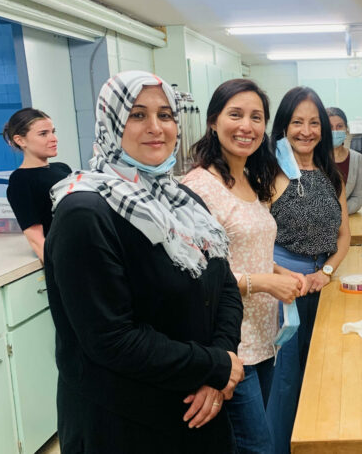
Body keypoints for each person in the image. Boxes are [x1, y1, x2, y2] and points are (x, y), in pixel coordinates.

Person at [44, 71, 244, 453]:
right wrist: (214, 367)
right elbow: (112, 339)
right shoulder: (84, 212)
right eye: (137, 115)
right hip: (126, 425)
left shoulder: (181, 202)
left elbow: (224, 286)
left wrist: (221, 367)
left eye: (166, 115)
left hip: (199, 410)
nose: (156, 128)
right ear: (110, 123)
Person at [182, 78, 307, 454]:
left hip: (263, 337)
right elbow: (197, 274)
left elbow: (239, 247)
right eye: (235, 114)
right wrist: (266, 283)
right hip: (230, 343)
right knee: (258, 447)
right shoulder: (198, 186)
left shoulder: (249, 179)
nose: (247, 126)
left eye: (256, 117)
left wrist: (278, 271)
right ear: (213, 121)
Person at [267, 87, 350, 454]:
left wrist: (327, 272)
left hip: (324, 287)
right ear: (283, 126)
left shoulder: (332, 174)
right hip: (284, 290)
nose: (306, 130)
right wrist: (281, 275)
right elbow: (251, 241)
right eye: (296, 122)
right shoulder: (268, 173)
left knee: (325, 373)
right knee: (284, 380)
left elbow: (345, 235)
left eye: (313, 123)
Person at [3, 108, 71, 260]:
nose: (54, 139)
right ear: (20, 140)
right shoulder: (20, 181)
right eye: (43, 134)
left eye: (53, 131)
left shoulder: (62, 168)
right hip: (65, 258)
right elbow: (37, 240)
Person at [326, 106, 362, 214]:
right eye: (330, 127)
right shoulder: (313, 159)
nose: (334, 131)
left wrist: (338, 213)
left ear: (346, 129)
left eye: (339, 126)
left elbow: (358, 197)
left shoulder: (358, 159)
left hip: (349, 219)